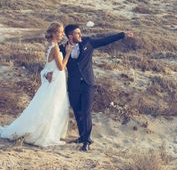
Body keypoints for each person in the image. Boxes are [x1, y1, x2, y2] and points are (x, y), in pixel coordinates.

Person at [55, 23, 134, 151]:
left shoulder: (88, 42)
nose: (80, 35)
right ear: (70, 35)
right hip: (73, 85)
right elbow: (56, 64)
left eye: (80, 32)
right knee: (77, 111)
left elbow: (105, 41)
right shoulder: (62, 48)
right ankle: (82, 136)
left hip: (88, 84)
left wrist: (122, 35)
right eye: (77, 33)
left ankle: (86, 141)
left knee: (86, 112)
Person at [0, 22, 74, 147]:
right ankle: (45, 133)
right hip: (56, 81)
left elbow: (48, 66)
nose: (61, 34)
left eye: (62, 32)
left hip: (53, 80)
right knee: (53, 106)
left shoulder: (50, 46)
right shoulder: (55, 48)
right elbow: (61, 67)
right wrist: (68, 53)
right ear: (53, 33)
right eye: (59, 32)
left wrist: (46, 73)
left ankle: (47, 131)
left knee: (46, 105)